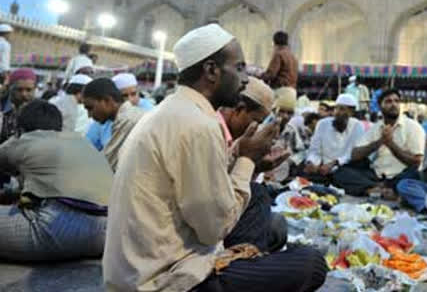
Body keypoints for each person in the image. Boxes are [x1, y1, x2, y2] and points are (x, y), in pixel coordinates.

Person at [103, 24, 327, 292]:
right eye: (240, 68)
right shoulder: (199, 125)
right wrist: (247, 160)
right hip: (167, 281)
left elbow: (200, 189)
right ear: (211, 71)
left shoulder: (174, 110)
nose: (246, 79)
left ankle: (246, 262)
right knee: (311, 263)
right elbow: (214, 229)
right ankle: (243, 266)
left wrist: (246, 160)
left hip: (138, 271)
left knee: (256, 198)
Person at [0, 100, 113, 261]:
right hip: (105, 234)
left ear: (22, 128)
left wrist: (16, 137)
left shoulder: (26, 140)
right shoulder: (81, 141)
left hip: (56, 228)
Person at [334, 88, 425, 197]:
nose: (394, 104)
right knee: (341, 172)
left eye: (396, 101)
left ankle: (374, 189)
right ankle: (377, 188)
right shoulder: (375, 128)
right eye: (388, 101)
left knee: (413, 176)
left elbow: (416, 162)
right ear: (380, 106)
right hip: (376, 175)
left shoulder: (413, 127)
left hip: (401, 175)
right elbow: (355, 155)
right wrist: (380, 141)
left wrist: (391, 144)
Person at [82, 78, 146, 171]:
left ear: (107, 101)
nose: (89, 115)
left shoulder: (127, 120)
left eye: (90, 108)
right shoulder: (129, 116)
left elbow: (107, 165)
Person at [303, 94, 365, 185]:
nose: (337, 112)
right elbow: (314, 150)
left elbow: (352, 154)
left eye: (342, 109)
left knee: (345, 174)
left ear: (351, 112)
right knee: (304, 172)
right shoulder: (323, 124)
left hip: (343, 168)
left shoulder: (357, 126)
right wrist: (312, 162)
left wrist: (334, 163)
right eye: (336, 108)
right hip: (322, 168)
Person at [1, 68, 37, 145]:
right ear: (10, 88)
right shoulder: (2, 108)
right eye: (19, 90)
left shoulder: (42, 111)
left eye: (28, 90)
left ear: (34, 90)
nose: (24, 94)